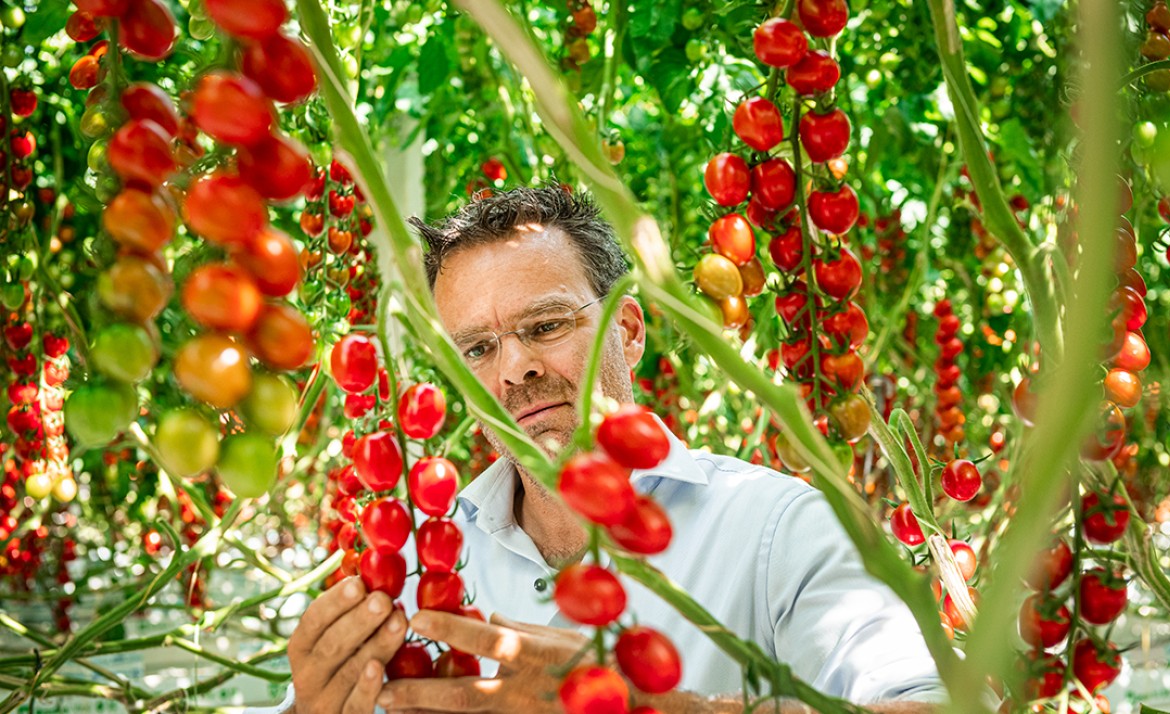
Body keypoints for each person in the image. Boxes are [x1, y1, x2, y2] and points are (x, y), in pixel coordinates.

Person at [266, 186, 944, 714]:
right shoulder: (412, 556)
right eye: (478, 348)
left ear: (628, 329)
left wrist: (656, 708)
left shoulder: (778, 527)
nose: (514, 369)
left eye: (546, 324)